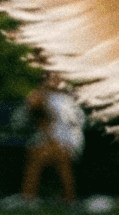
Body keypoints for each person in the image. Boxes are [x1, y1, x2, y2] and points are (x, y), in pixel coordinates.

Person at [20, 73, 84, 206]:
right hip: (50, 141)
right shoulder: (44, 96)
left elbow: (72, 126)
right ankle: (68, 199)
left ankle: (28, 198)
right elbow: (32, 109)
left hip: (68, 141)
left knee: (44, 157)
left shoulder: (66, 99)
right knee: (40, 156)